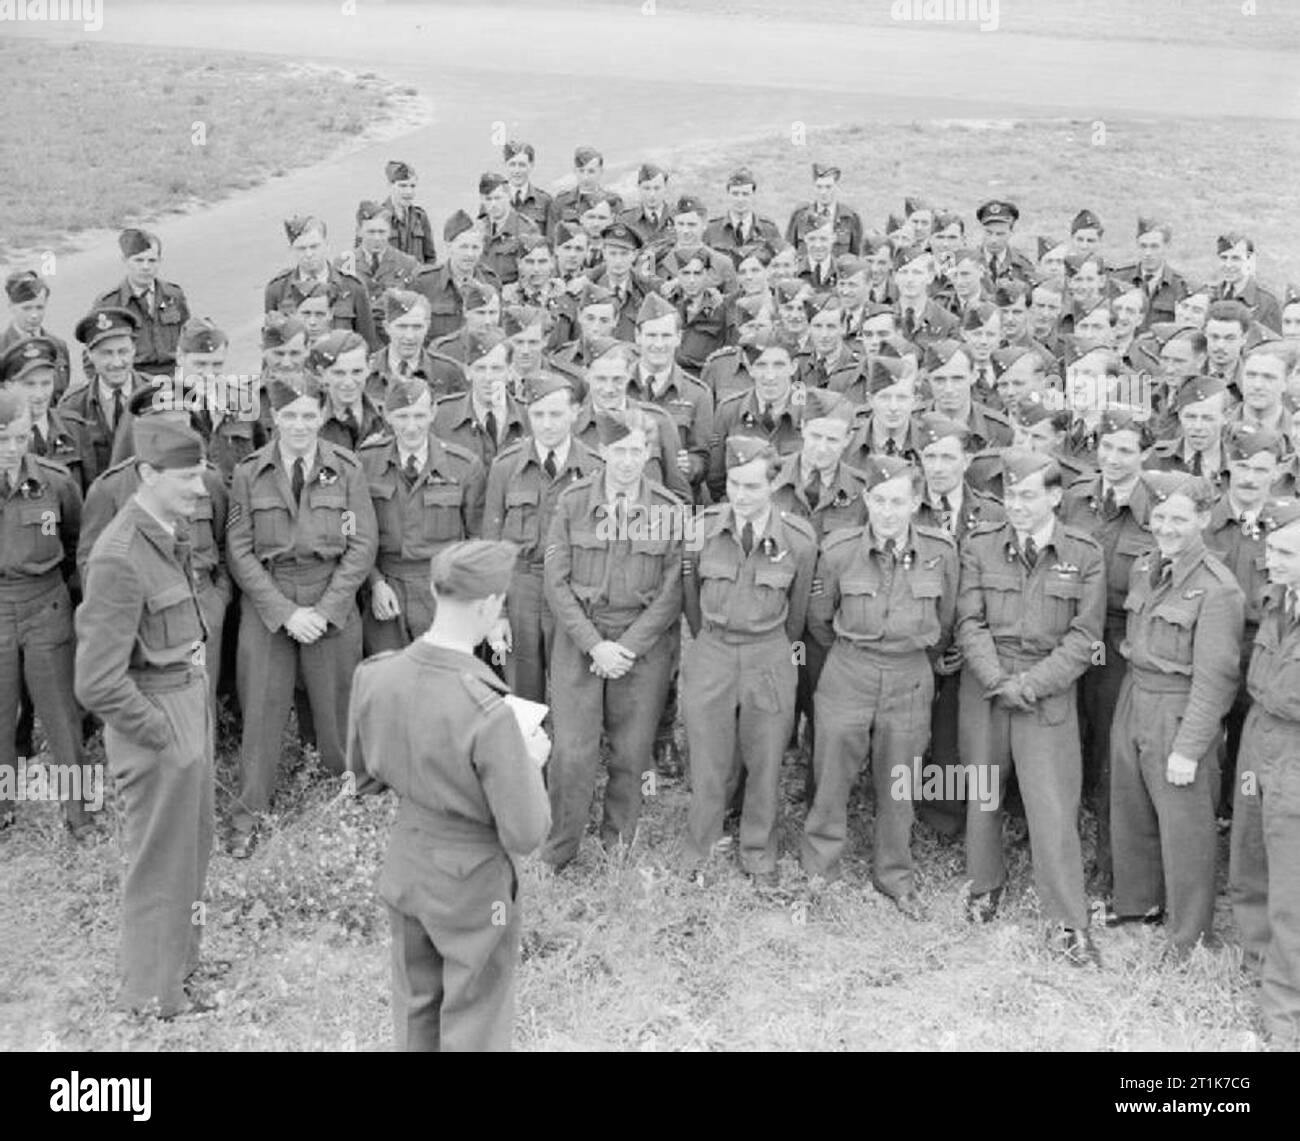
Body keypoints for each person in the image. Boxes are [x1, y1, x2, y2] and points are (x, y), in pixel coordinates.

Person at [346, 539, 551, 1051]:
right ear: (488, 605)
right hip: (471, 883)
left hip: (408, 861)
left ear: (438, 592)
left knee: (417, 1006)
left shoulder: (375, 674)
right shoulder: (488, 711)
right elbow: (526, 833)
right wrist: (529, 762)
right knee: (475, 1017)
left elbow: (363, 778)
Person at [74, 418, 214, 1016]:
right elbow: (97, 682)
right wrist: (166, 738)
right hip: (156, 720)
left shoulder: (164, 531)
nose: (200, 489)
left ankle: (177, 967)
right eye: (186, 477)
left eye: (201, 474)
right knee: (160, 862)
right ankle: (151, 995)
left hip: (184, 701)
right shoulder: (120, 556)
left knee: (191, 851)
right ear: (148, 474)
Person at [957, 449, 1105, 965]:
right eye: (1009, 495)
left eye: (1027, 496)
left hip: (1047, 690)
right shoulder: (979, 545)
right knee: (982, 790)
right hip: (989, 685)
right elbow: (968, 622)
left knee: (1052, 806)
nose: (1016, 506)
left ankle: (1068, 920)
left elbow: (1085, 637)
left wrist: (1032, 684)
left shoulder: (1084, 553)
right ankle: (984, 885)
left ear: (1055, 497)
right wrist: (999, 680)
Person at [224, 375, 378, 856]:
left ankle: (347, 797)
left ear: (322, 417)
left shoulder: (346, 469)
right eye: (289, 416)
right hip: (270, 602)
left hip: (329, 594)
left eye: (309, 415)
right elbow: (240, 550)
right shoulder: (250, 473)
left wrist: (328, 609)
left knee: (336, 709)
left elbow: (360, 544)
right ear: (273, 418)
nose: (299, 425)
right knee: (263, 710)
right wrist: (285, 613)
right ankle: (249, 812)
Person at [802, 456, 958, 916]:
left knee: (900, 778)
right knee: (831, 771)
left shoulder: (941, 551)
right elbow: (819, 618)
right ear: (866, 499)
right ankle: (819, 866)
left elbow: (944, 622)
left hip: (909, 674)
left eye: (899, 502)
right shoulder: (837, 549)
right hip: (849, 667)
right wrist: (855, 654)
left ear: (915, 503)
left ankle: (894, 874)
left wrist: (916, 657)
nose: (888, 512)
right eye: (880, 501)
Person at [1106, 472, 1243, 958]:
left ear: (1203, 520)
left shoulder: (1217, 589)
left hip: (1178, 709)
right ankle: (1138, 911)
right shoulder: (1146, 567)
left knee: (1185, 828)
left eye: (1179, 518)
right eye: (1160, 516)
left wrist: (1189, 747)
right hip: (1134, 695)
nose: (1166, 527)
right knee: (1131, 809)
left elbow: (1216, 680)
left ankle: (1189, 939)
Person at [541, 409, 683, 870]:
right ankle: (560, 847)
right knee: (572, 752)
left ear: (649, 453)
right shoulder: (573, 502)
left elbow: (671, 592)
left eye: (636, 451)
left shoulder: (666, 509)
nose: (626, 461)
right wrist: (593, 644)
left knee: (631, 749)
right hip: (581, 639)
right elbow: (555, 582)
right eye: (618, 451)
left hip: (640, 647)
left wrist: (629, 647)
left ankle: (616, 844)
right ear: (602, 451)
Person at [681, 435, 815, 885]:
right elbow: (690, 602)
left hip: (768, 653)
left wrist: (770, 645)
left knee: (766, 758)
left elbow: (796, 615)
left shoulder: (798, 538)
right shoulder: (701, 529)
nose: (741, 495)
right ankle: (700, 851)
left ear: (773, 486)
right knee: (707, 758)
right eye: (734, 484)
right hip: (713, 650)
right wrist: (711, 642)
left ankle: (758, 853)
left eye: (753, 487)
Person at [0, 391, 91, 838]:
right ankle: (3, 806)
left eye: (19, 437)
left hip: (46, 603)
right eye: (1, 439)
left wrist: (63, 596)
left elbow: (77, 542)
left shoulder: (55, 481)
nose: (12, 449)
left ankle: (79, 813)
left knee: (61, 714)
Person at [482, 372, 600, 703]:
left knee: (573, 685)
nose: (547, 425)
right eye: (538, 415)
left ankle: (568, 750)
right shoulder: (505, 467)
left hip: (573, 590)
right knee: (520, 683)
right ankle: (525, 749)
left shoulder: (594, 469)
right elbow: (491, 544)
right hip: (521, 587)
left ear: (576, 411)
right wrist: (497, 614)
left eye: (556, 414)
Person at [359, 379, 486, 654]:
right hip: (386, 589)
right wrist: (375, 582)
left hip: (442, 591)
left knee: (443, 681)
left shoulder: (464, 466)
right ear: (387, 416)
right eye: (402, 416)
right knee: (390, 681)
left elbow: (476, 537)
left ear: (433, 413)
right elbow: (352, 531)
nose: (411, 426)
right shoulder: (365, 463)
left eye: (419, 415)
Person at [1237, 497, 1300, 1047]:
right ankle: (1256, 960)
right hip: (1259, 738)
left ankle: (1284, 1011)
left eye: (1282, 550)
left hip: (1296, 751)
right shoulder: (1277, 600)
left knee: (1292, 887)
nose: (1269, 556)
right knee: (1250, 855)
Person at [265, 216, 378, 351]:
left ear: (327, 246)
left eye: (314, 247)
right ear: (291, 250)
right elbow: (271, 346)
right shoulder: (278, 290)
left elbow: (368, 344)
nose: (308, 254)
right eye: (301, 248)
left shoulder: (352, 287)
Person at [93, 229, 190, 378]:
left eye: (152, 261)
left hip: (172, 376)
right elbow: (92, 354)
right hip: (133, 377)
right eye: (139, 260)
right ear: (125, 261)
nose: (146, 267)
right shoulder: (109, 303)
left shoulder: (173, 295)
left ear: (160, 261)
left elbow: (188, 339)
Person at [1, 271, 71, 398]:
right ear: (11, 306)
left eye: (39, 307)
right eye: (26, 308)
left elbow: (62, 397)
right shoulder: (2, 347)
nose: (34, 315)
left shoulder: (58, 346)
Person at [382, 160, 437, 265]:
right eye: (402, 186)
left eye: (412, 186)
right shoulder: (375, 218)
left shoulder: (420, 217)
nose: (408, 192)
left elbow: (430, 257)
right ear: (390, 185)